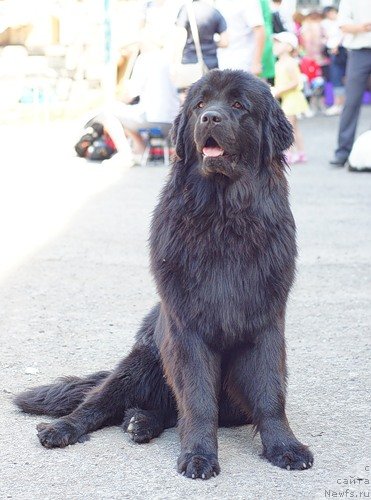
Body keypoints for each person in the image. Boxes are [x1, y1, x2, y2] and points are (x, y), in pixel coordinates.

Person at [86, 30, 180, 166]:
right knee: (126, 117)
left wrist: (116, 102)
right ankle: (139, 150)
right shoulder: (167, 59)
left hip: (152, 119)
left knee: (108, 113)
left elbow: (130, 94)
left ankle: (125, 155)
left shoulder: (145, 60)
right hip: (172, 122)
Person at [329, 0, 371, 167]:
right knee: (351, 102)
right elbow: (343, 25)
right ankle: (342, 151)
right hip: (358, 52)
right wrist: (363, 27)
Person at [271, 31, 309, 164]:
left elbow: (295, 82)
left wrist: (279, 90)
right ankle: (301, 152)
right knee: (294, 127)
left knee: (288, 127)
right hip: (287, 98)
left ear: (289, 47)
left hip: (293, 99)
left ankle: (288, 154)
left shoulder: (290, 63)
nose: (274, 46)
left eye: (278, 43)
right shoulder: (278, 64)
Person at [215, 0, 265, 75]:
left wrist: (256, 62)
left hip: (243, 61)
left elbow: (259, 31)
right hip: (222, 59)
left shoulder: (248, 2)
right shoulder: (218, 3)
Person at [176, 0, 228, 70]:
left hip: (189, 62)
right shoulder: (215, 12)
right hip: (210, 64)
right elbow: (225, 42)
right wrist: (211, 44)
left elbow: (179, 37)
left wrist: (175, 62)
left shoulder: (186, 10)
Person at [321, 6, 347, 116]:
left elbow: (343, 35)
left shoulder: (342, 22)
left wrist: (336, 45)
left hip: (341, 52)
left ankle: (340, 104)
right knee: (338, 78)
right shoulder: (328, 24)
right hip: (334, 51)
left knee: (340, 77)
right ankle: (340, 104)